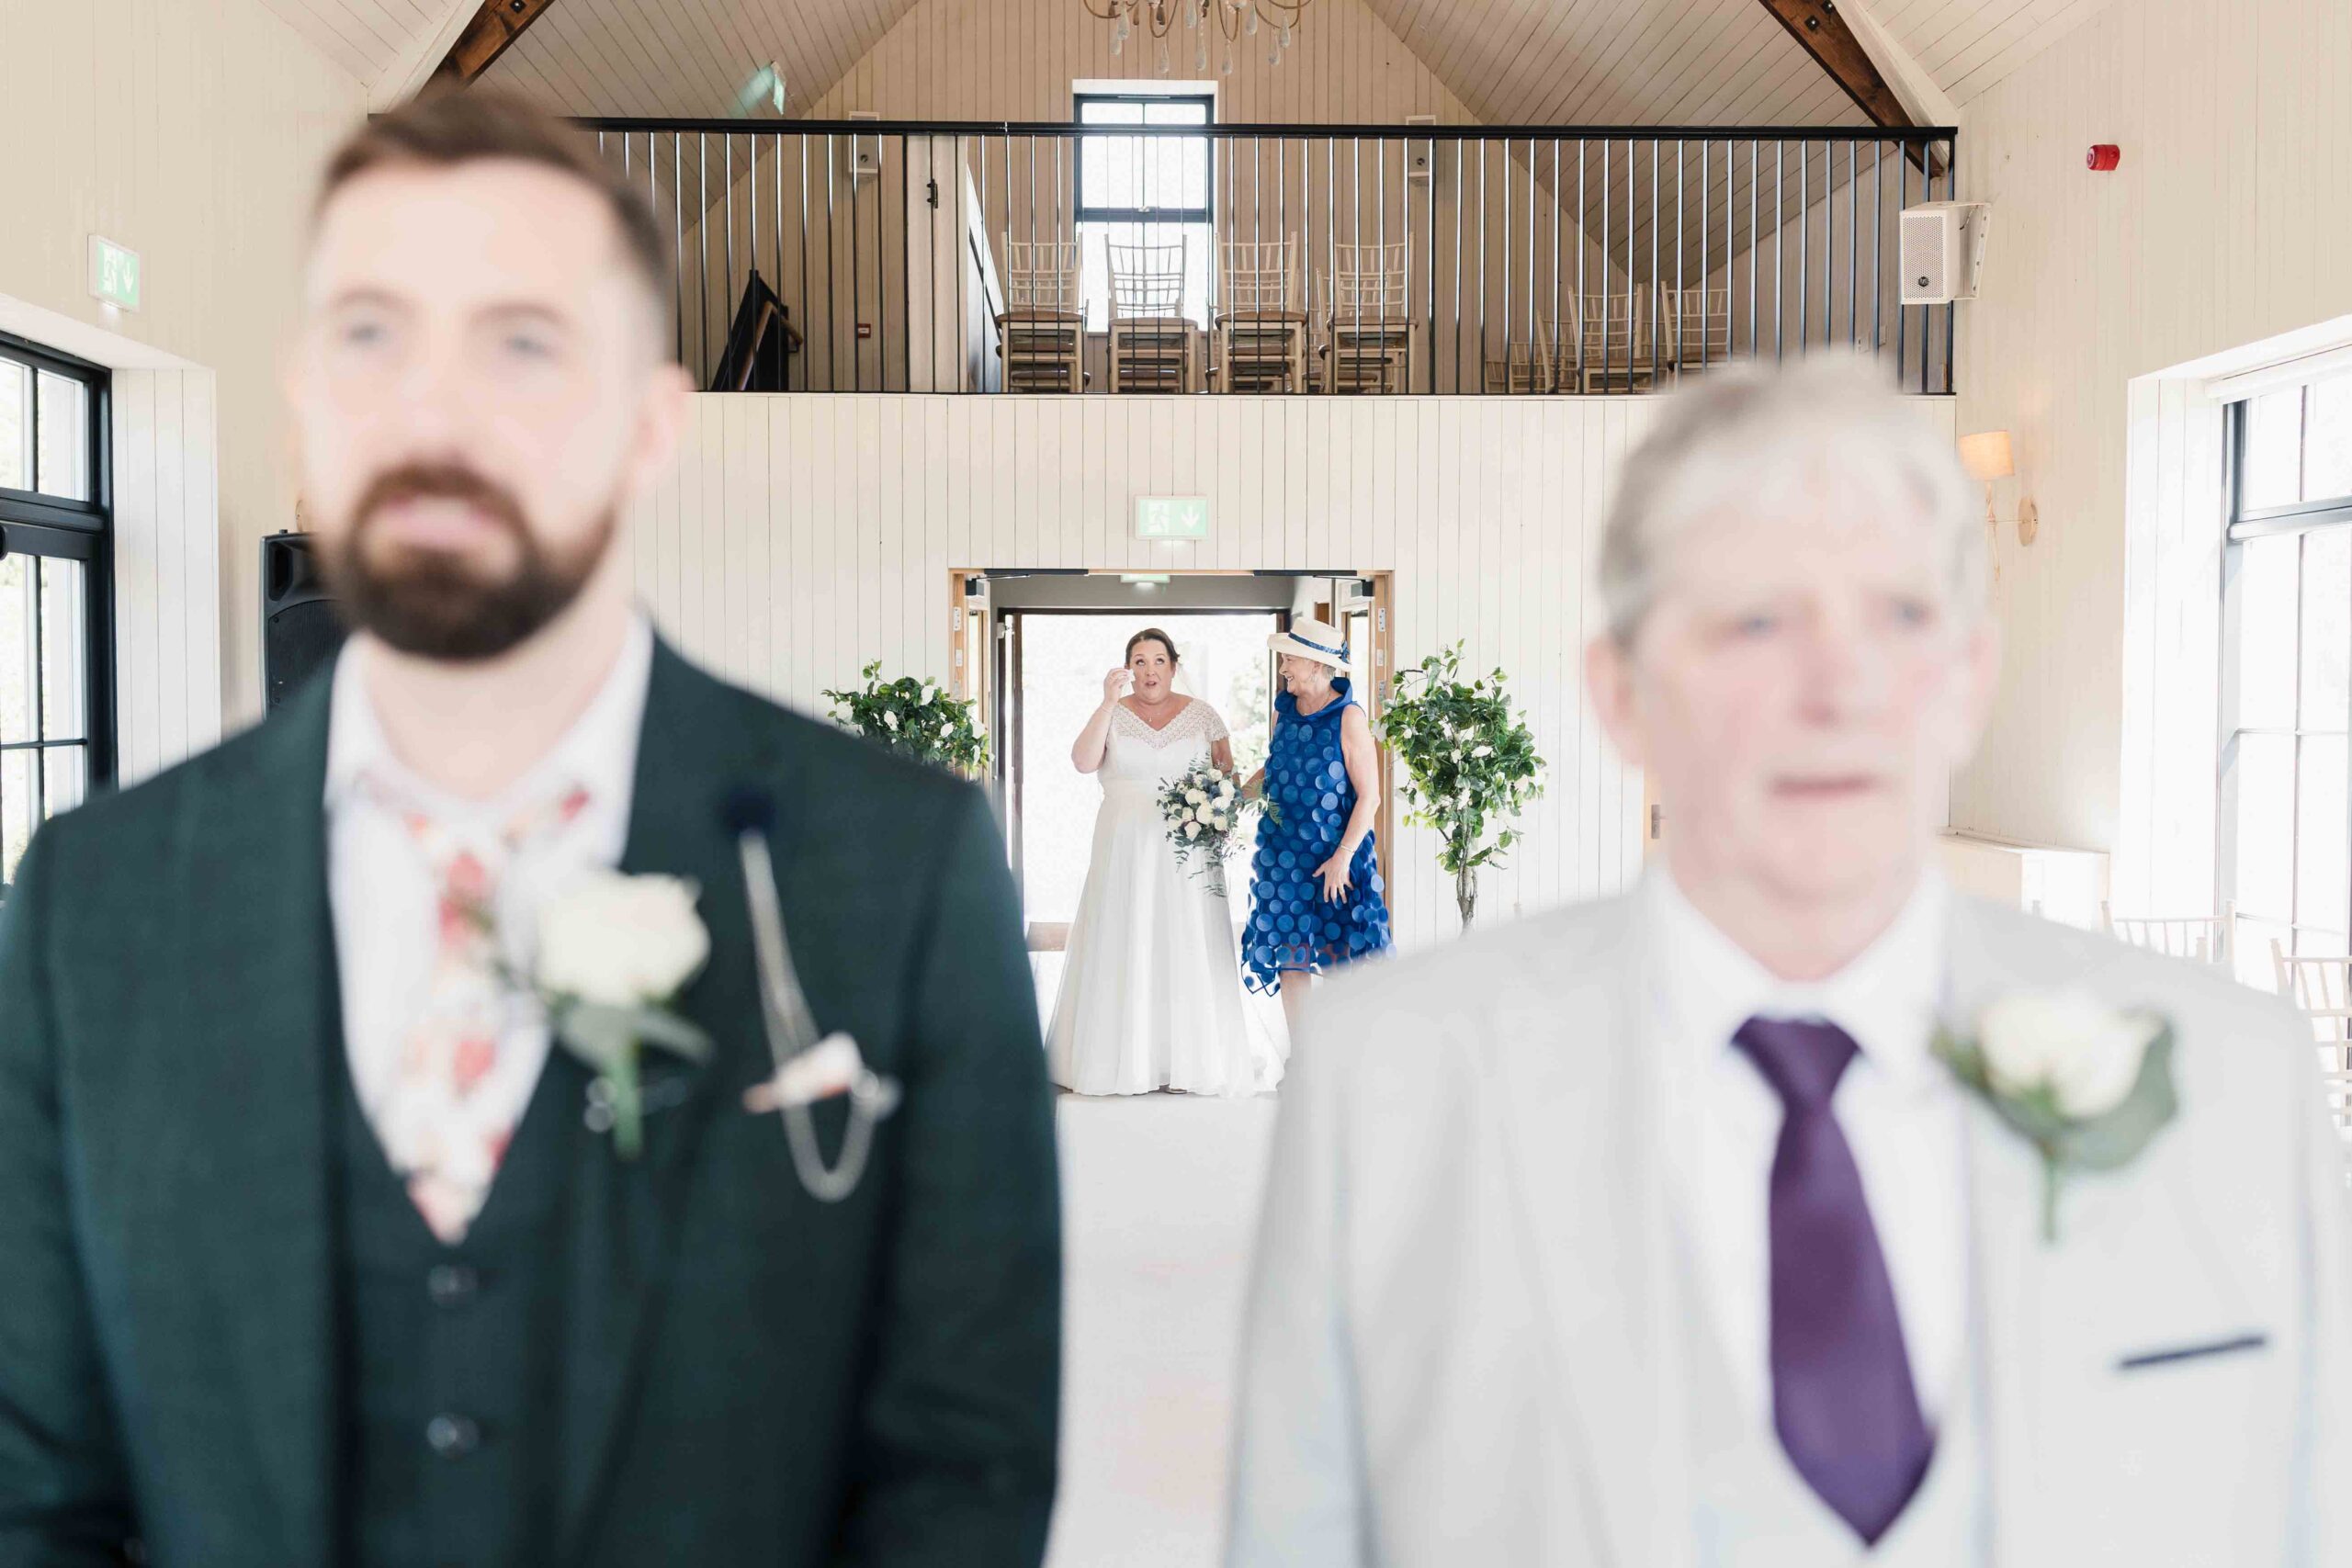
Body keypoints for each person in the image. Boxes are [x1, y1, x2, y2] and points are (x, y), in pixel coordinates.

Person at [0, 91, 1059, 1568]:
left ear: (649, 424)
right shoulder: (90, 904)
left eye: (521, 342)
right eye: (374, 334)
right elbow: (36, 1486)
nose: (437, 408)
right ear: (306, 388)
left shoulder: (900, 864)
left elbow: (962, 1472)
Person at [1226, 360, 2352, 1566]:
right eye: (1755, 619)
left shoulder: (2237, 1073)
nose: (1837, 684)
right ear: (1621, 689)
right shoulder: (1388, 1078)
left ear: (1971, 674)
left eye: (1900, 615)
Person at [1048, 627, 1275, 1097]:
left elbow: (1226, 779)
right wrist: (1106, 703)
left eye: (1158, 660)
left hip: (1186, 847)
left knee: (1183, 937)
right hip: (1123, 844)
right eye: (1139, 661)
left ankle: (1185, 1058)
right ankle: (1121, 1059)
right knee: (1123, 933)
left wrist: (1216, 811)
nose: (1149, 671)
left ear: (1174, 666)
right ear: (1127, 669)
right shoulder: (1113, 713)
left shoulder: (1203, 715)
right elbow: (1083, 762)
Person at [1240, 618, 1391, 1040]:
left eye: (1290, 658)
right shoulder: (1283, 711)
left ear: (1316, 665)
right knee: (1291, 957)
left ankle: (1347, 1058)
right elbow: (1275, 768)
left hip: (1335, 860)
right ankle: (1305, 1059)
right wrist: (1230, 801)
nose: (1284, 665)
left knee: (1342, 960)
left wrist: (1342, 858)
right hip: (1281, 858)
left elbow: (1370, 797)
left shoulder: (1348, 718)